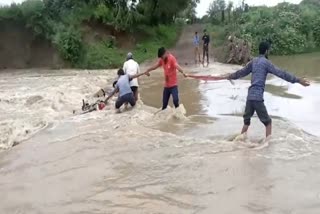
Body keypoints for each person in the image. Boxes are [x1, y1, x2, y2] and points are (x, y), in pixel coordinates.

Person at [221, 41, 310, 138]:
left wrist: (230, 76)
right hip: (258, 97)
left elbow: (241, 72)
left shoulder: (253, 61)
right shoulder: (266, 63)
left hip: (250, 97)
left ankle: (240, 141)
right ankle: (267, 145)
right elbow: (281, 73)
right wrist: (297, 80)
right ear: (266, 51)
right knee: (268, 122)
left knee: (246, 122)